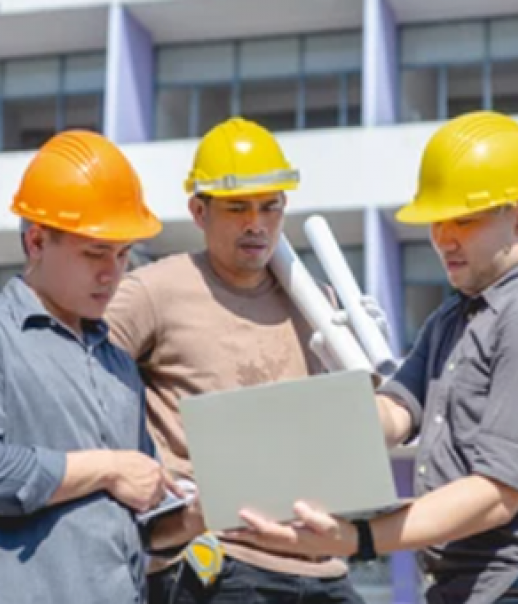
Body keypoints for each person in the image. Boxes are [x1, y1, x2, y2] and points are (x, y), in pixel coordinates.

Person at [228, 111, 518, 604]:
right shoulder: (456, 315)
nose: (442, 238)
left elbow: (497, 492)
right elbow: (395, 410)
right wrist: (282, 440)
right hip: (470, 588)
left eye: (464, 219)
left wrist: (358, 538)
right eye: (437, 220)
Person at [0, 130, 178, 604]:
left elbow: (136, 503)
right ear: (36, 242)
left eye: (122, 254)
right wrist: (106, 467)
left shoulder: (118, 364)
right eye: (94, 253)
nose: (112, 273)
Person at [105, 117, 367, 604]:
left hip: (323, 562)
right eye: (237, 208)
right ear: (198, 211)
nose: (257, 224)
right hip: (217, 562)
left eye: (271, 207)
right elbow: (75, 375)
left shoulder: (312, 300)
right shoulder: (153, 293)